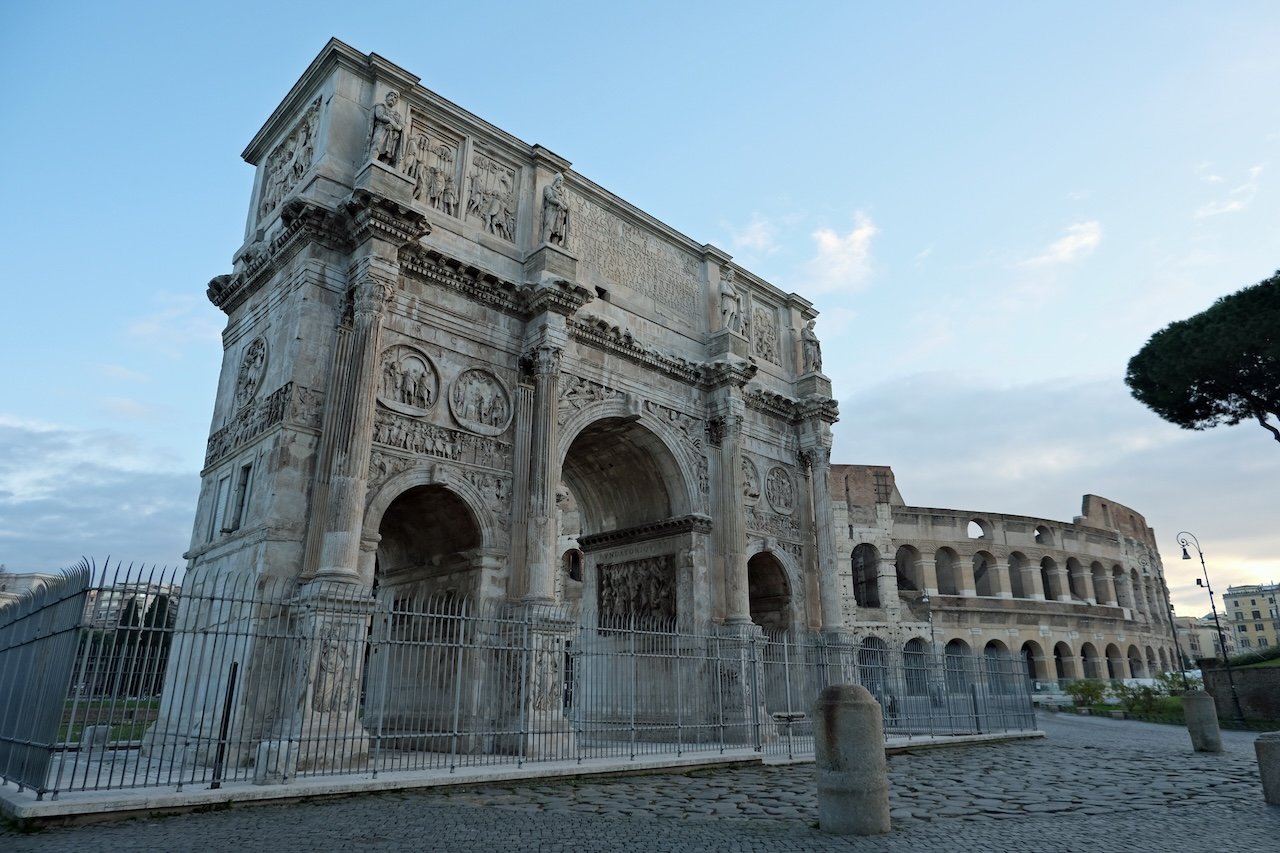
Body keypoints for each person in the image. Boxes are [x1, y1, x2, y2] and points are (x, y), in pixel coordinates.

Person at [369, 91, 404, 166]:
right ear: (386, 97)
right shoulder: (380, 106)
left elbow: (401, 127)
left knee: (389, 154)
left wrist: (394, 126)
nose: (393, 98)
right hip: (381, 130)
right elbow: (380, 115)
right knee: (376, 146)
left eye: (395, 98)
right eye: (391, 96)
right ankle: (371, 163)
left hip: (392, 136)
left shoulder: (397, 115)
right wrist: (391, 121)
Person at [542, 173, 570, 245]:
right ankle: (545, 243)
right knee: (549, 227)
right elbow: (549, 198)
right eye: (559, 180)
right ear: (555, 180)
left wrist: (566, 207)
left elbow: (566, 204)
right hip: (550, 210)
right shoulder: (548, 188)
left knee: (557, 231)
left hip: (560, 214)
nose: (560, 183)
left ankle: (554, 245)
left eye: (562, 181)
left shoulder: (562, 194)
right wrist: (559, 203)